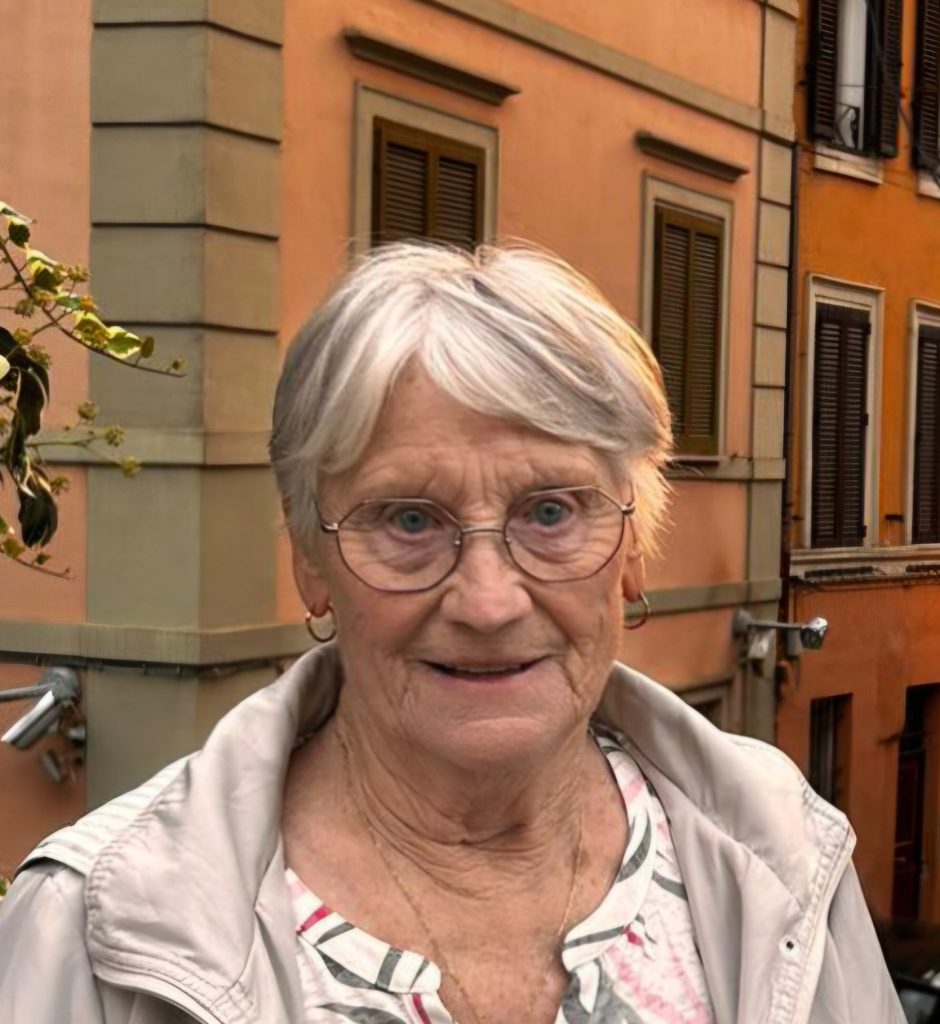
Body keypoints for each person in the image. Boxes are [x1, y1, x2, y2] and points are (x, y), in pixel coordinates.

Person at [0, 243, 903, 1024]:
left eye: (551, 511)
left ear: (633, 551)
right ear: (310, 561)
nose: (488, 601)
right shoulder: (96, 928)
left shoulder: (783, 855)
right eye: (408, 521)